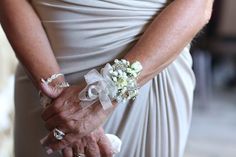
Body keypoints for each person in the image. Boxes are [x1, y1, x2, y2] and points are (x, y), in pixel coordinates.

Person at [0, 0, 214, 157]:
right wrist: (55, 93)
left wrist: (105, 93)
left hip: (151, 71)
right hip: (43, 75)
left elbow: (198, 4)